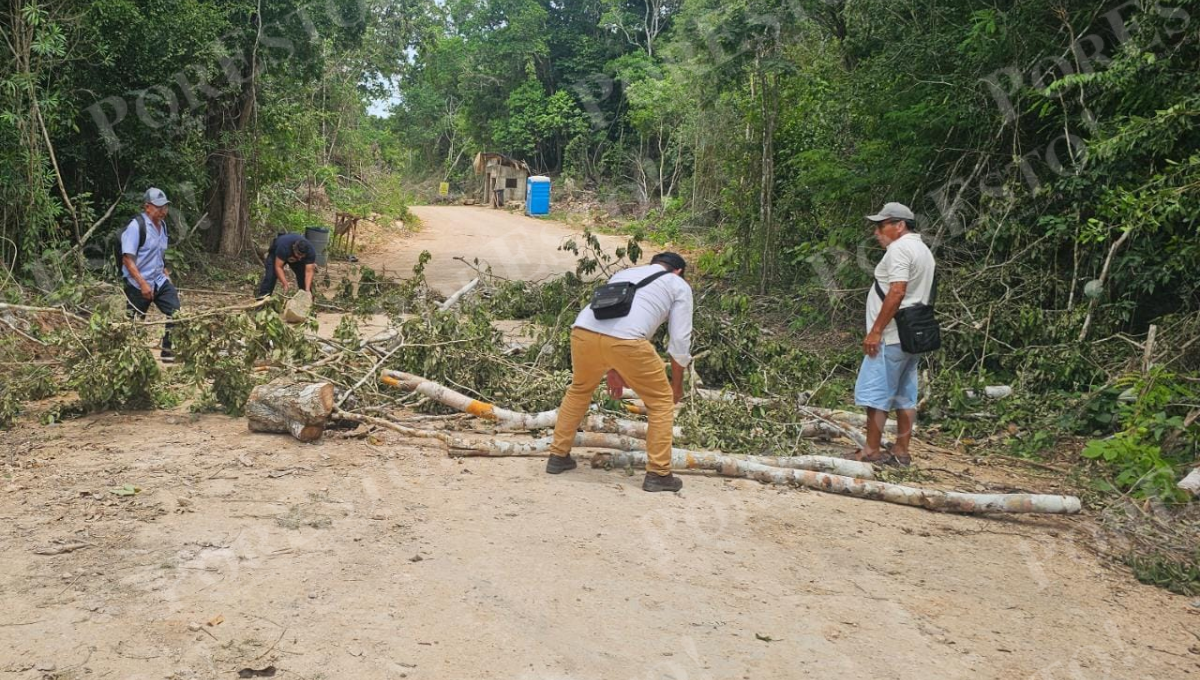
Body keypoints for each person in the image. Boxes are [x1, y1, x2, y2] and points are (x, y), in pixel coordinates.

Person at [545, 252, 693, 492]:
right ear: (678, 271)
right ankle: (659, 473)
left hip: (583, 331)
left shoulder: (625, 273)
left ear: (654, 264)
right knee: (661, 402)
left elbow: (612, 317)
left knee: (579, 390)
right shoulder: (678, 284)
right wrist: (676, 386)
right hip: (628, 342)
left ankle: (557, 456)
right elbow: (679, 342)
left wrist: (613, 368)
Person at [851, 202, 936, 466]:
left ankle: (872, 450)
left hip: (891, 335)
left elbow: (897, 291)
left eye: (881, 225)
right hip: (912, 335)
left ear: (899, 226)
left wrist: (875, 331)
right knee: (905, 395)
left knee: (877, 396)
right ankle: (901, 451)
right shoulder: (923, 250)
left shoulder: (899, 249)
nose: (877, 231)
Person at [121, 187, 181, 363]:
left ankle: (167, 351)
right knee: (133, 325)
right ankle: (132, 360)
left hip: (158, 280)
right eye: (159, 207)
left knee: (176, 312)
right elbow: (127, 259)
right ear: (147, 207)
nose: (163, 211)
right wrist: (142, 284)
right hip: (137, 283)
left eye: (165, 207)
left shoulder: (162, 226)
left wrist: (165, 273)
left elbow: (158, 254)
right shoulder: (136, 227)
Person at [256, 233, 316, 298]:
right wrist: (285, 283)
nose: (300, 257)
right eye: (298, 254)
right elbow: (278, 267)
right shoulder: (284, 247)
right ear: (294, 248)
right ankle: (262, 298)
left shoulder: (311, 252)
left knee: (302, 275)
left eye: (302, 255)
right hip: (276, 254)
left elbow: (309, 272)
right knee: (271, 276)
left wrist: (307, 290)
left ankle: (306, 298)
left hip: (294, 256)